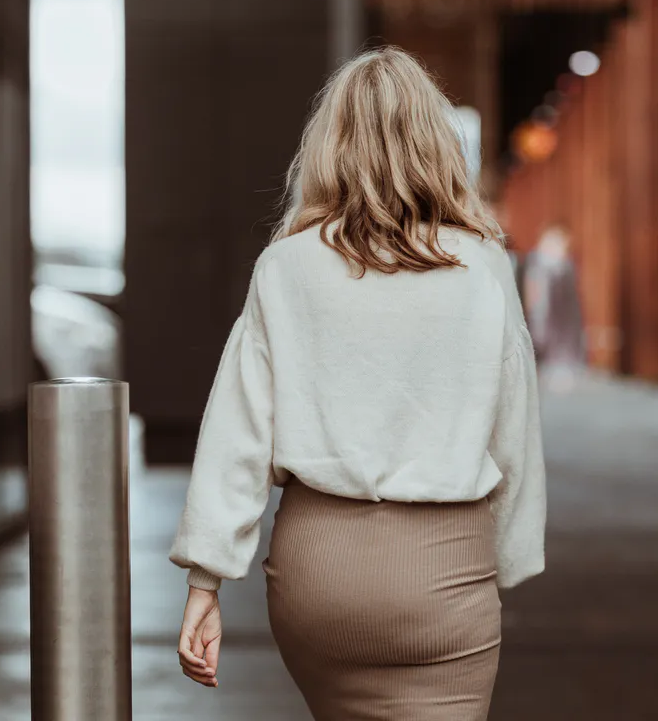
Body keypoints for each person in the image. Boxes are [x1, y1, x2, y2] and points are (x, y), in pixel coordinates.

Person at [169, 46, 546, 720]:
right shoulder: (485, 268)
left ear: (328, 148)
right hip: (443, 575)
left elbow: (239, 433)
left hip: (321, 574)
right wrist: (510, 560)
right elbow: (514, 430)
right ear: (438, 145)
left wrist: (207, 581)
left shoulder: (286, 269)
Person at [523, 224, 585, 390]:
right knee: (539, 340)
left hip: (561, 319)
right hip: (540, 314)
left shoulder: (565, 266)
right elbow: (533, 290)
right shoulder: (536, 263)